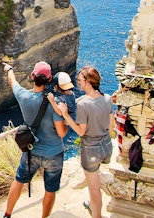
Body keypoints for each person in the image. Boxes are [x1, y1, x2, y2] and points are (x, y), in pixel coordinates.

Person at [2, 61, 68, 218]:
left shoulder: (24, 96)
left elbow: (13, 81)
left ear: (32, 76)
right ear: (50, 78)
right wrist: (66, 124)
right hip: (53, 153)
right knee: (50, 190)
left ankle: (7, 214)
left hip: (31, 152)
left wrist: (9, 69)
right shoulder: (55, 104)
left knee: (18, 181)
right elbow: (61, 133)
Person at [47, 66, 113, 218]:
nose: (77, 82)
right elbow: (111, 126)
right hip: (106, 146)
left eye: (79, 80)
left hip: (91, 150)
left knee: (94, 189)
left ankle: (96, 214)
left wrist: (65, 114)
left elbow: (81, 132)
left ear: (88, 82)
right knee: (94, 175)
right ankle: (94, 183)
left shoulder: (83, 105)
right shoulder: (107, 98)